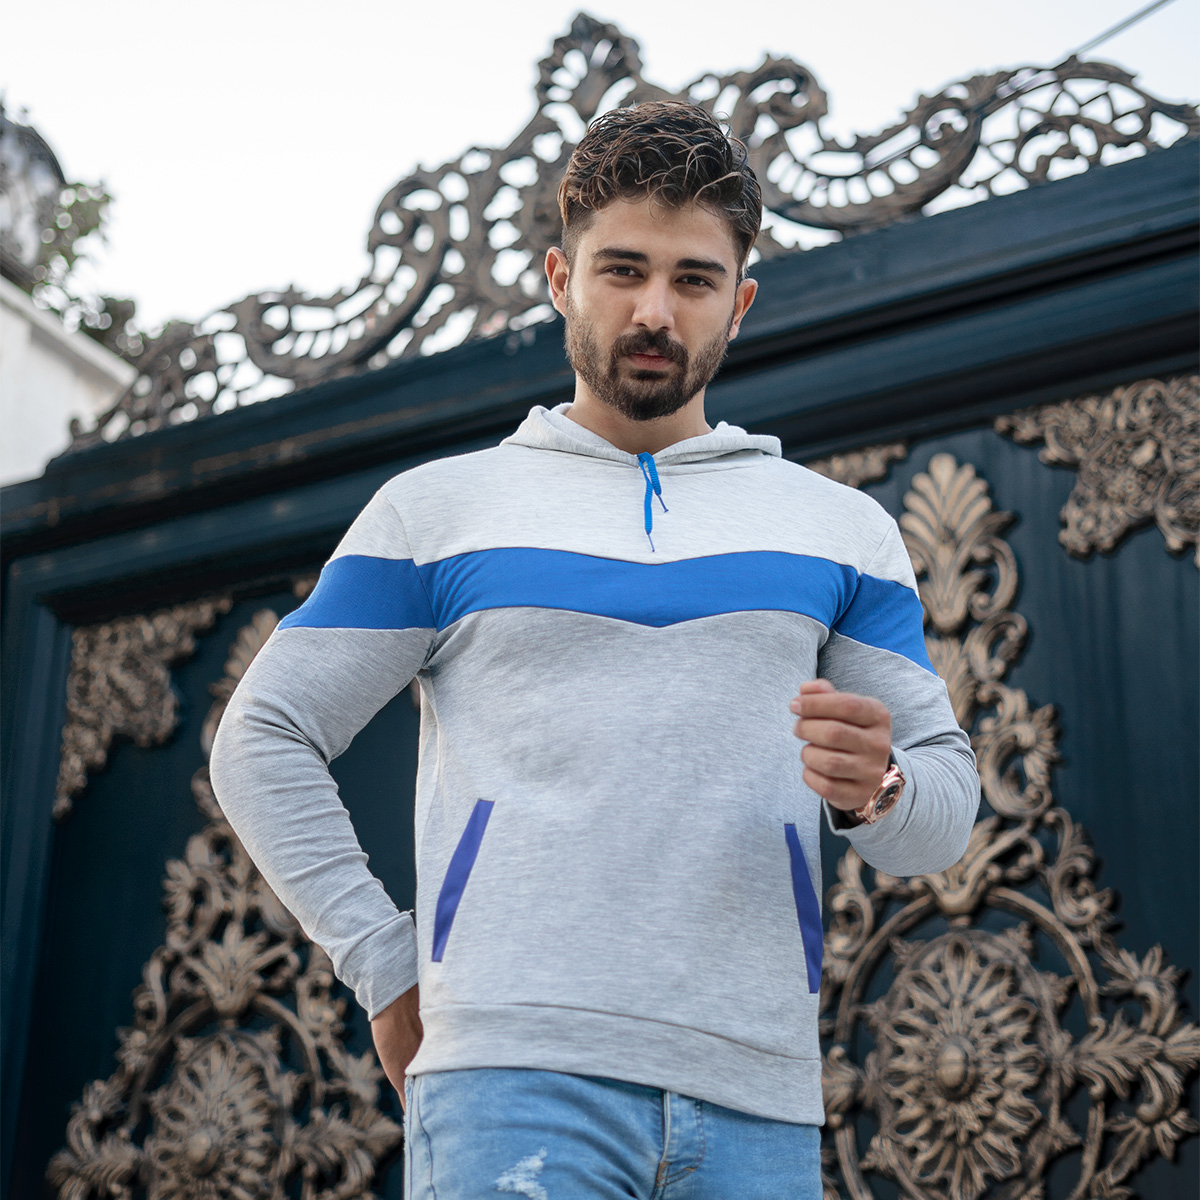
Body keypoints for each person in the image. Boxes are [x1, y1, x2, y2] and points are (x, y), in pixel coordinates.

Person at [210, 101, 978, 1198]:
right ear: (562, 279)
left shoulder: (841, 531)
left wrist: (879, 789)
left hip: (758, 1097)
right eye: (623, 270)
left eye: (694, 280)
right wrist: (383, 962)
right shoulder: (438, 511)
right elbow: (262, 737)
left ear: (739, 303)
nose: (655, 310)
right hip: (509, 1084)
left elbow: (941, 814)